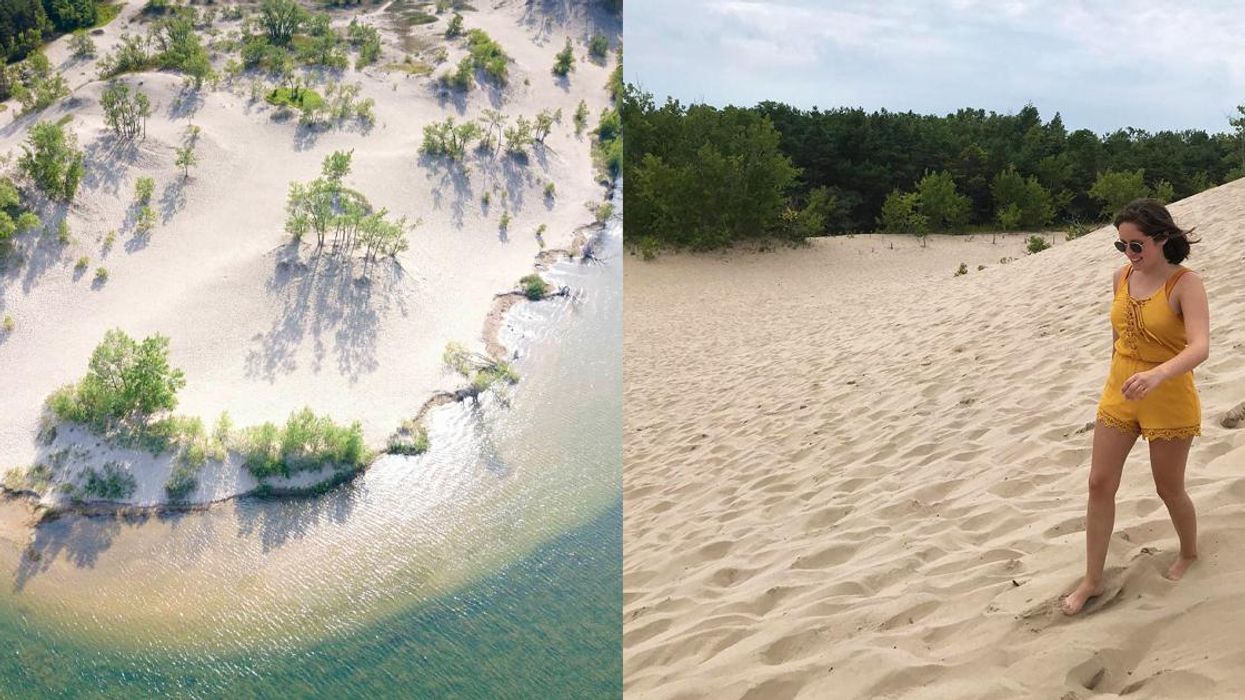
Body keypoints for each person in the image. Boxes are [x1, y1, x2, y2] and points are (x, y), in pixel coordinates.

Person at [1062, 199, 1210, 616]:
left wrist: (1158, 375)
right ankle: (1092, 579)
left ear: (1163, 238)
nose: (1130, 255)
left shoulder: (1185, 283)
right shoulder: (1121, 277)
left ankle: (1189, 552)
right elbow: (1119, 334)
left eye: (1137, 245)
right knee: (1099, 483)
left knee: (1169, 487)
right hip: (1122, 388)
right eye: (1122, 245)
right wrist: (1117, 373)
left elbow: (1200, 347)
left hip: (1168, 392)